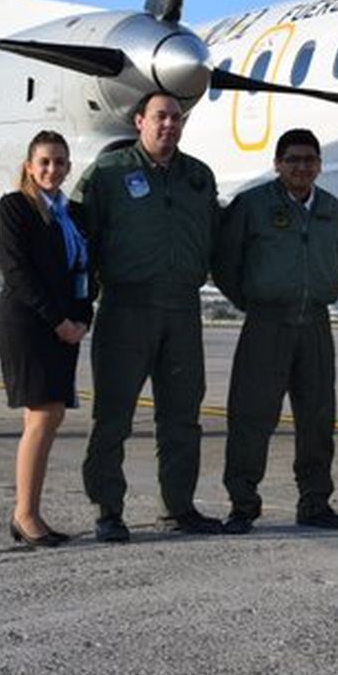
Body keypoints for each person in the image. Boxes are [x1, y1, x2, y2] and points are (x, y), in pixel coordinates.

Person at [75, 92, 222, 542]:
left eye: (177, 118)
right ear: (139, 121)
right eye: (160, 117)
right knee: (113, 416)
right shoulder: (108, 173)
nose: (169, 125)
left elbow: (217, 238)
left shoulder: (199, 176)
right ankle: (107, 510)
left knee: (182, 416)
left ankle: (177, 508)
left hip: (182, 308)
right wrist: (82, 302)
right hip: (126, 307)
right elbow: (82, 241)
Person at [213, 129, 338, 534]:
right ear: (277, 164)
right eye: (292, 159)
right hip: (266, 322)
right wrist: (252, 301)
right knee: (252, 417)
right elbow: (225, 261)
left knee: (317, 418)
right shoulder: (253, 205)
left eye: (309, 160)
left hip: (314, 324)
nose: (301, 167)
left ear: (319, 166)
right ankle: (242, 504)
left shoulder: (330, 208)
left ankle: (314, 502)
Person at [0, 131, 93, 548]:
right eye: (45, 162)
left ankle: (30, 510)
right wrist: (58, 321)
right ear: (30, 166)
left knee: (49, 417)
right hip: (29, 322)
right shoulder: (16, 206)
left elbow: (88, 272)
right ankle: (26, 514)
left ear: (69, 167)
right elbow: (18, 272)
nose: (52, 169)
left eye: (60, 162)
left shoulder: (76, 215)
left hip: (66, 325)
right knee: (42, 415)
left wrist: (82, 318)